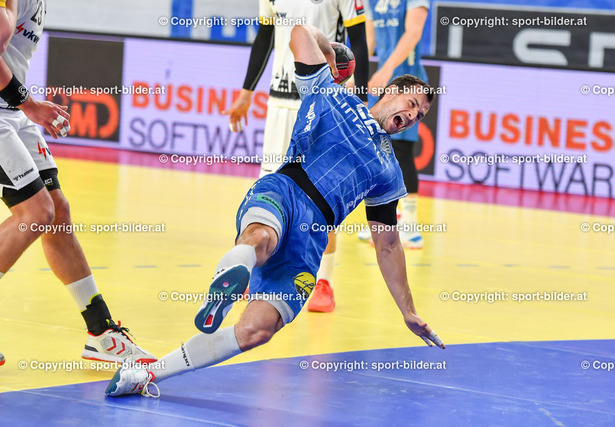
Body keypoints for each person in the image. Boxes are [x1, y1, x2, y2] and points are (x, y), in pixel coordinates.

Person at [106, 24, 443, 398]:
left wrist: (408, 311)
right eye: (412, 103)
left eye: (421, 114)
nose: (414, 115)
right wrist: (329, 51)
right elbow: (299, 33)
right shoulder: (332, 93)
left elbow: (389, 245)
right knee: (262, 240)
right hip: (285, 191)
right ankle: (225, 288)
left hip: (312, 239)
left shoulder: (389, 170)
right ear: (390, 92)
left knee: (258, 329)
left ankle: (146, 374)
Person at [0, 0, 154, 364]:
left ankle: (100, 332)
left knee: (57, 213)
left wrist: (25, 106)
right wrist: (31, 105)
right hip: (10, 109)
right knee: (36, 212)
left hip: (11, 110)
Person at [223, 0, 370, 313]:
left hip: (321, 103)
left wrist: (362, 103)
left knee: (322, 196)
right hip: (279, 104)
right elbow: (265, 37)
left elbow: (358, 41)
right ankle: (255, 270)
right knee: (266, 194)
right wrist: (246, 92)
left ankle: (324, 282)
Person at [358, 0, 430, 249]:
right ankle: (386, 219)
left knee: (402, 151)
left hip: (409, 83)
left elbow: (414, 33)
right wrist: (354, 74)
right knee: (381, 150)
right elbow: (368, 40)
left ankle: (410, 225)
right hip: (386, 83)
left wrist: (387, 69)